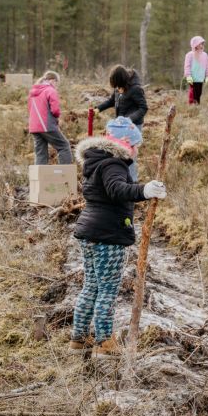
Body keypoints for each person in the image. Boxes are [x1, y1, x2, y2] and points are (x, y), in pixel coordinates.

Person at [69, 129, 167, 358]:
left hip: (90, 232)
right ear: (124, 142)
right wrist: (145, 190)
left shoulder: (95, 161)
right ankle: (104, 343)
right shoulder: (114, 163)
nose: (136, 150)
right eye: (135, 145)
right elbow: (117, 190)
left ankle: (79, 338)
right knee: (107, 290)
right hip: (107, 235)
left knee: (91, 286)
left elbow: (109, 190)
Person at [27, 71, 72, 165]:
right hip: (46, 125)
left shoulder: (32, 92)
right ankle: (66, 174)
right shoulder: (50, 90)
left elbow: (29, 109)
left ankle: (39, 178)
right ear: (53, 80)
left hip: (34, 127)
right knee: (64, 146)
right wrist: (57, 118)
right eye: (57, 82)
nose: (56, 85)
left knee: (40, 153)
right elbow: (55, 110)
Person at [94, 65, 148, 130]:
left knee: (131, 140)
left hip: (134, 125)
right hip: (120, 123)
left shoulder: (136, 89)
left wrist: (129, 119)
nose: (117, 88)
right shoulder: (118, 86)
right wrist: (99, 108)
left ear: (122, 80)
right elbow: (112, 101)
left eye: (118, 85)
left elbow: (143, 108)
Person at [106, 116, 143, 182]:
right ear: (126, 147)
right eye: (136, 146)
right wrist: (141, 190)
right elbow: (118, 187)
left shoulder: (114, 161)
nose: (137, 151)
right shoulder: (115, 168)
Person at [184, 36, 208, 105]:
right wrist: (188, 76)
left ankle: (197, 105)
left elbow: (207, 66)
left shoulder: (205, 55)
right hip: (192, 78)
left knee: (199, 93)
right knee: (193, 92)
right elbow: (187, 66)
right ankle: (192, 106)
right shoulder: (189, 55)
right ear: (195, 44)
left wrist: (207, 75)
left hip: (200, 78)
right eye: (200, 44)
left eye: (202, 44)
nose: (202, 45)